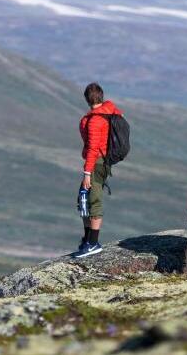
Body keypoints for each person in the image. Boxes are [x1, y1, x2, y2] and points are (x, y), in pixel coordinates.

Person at [75, 82, 124, 257]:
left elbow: (93, 149)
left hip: (96, 164)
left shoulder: (96, 120)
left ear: (87, 98)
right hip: (102, 163)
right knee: (84, 199)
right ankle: (87, 240)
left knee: (92, 200)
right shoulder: (108, 113)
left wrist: (87, 173)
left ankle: (93, 243)